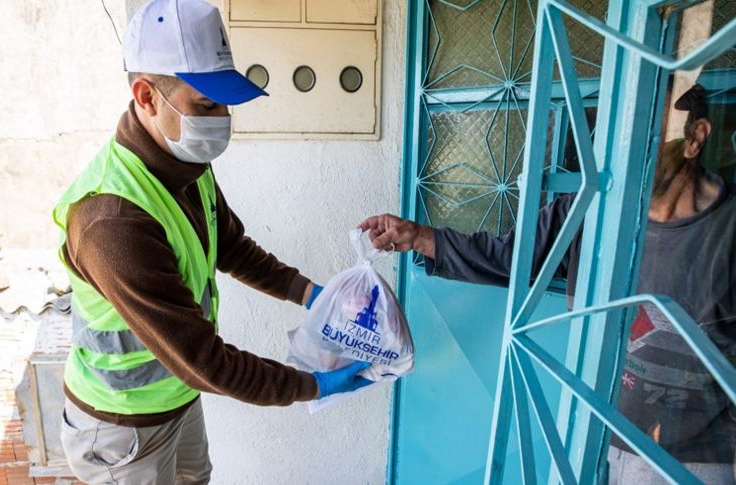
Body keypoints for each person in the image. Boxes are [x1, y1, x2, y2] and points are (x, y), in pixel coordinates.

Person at [55, 1, 370, 483]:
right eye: (206, 105)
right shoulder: (112, 222)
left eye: (223, 104)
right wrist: (314, 386)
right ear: (146, 97)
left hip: (178, 398)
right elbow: (206, 361)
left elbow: (232, 247)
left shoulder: (185, 163)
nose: (222, 119)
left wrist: (312, 295)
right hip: (122, 428)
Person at [361, 83, 735, 484]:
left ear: (694, 138)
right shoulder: (589, 209)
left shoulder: (726, 234)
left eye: (645, 130)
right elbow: (508, 258)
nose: (622, 150)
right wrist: (418, 236)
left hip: (691, 461)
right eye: (617, 132)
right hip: (593, 435)